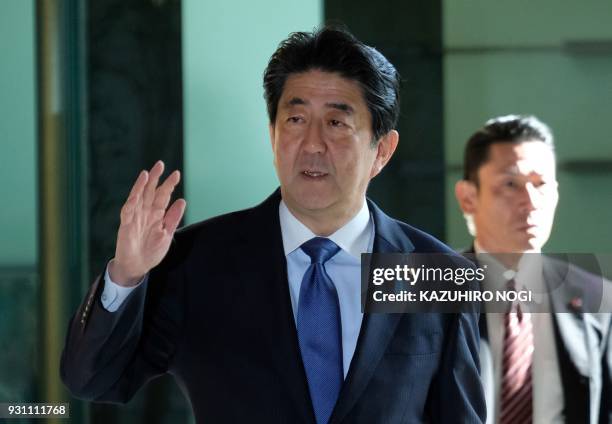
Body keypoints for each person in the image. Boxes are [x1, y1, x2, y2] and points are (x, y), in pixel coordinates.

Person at [61, 26, 485, 423]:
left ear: (382, 150)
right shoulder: (195, 264)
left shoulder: (439, 275)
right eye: (295, 120)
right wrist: (127, 274)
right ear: (272, 135)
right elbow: (95, 381)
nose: (313, 144)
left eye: (337, 123)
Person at [454, 115, 612, 424]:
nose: (530, 201)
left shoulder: (598, 299)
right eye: (510, 184)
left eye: (540, 184)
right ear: (468, 197)